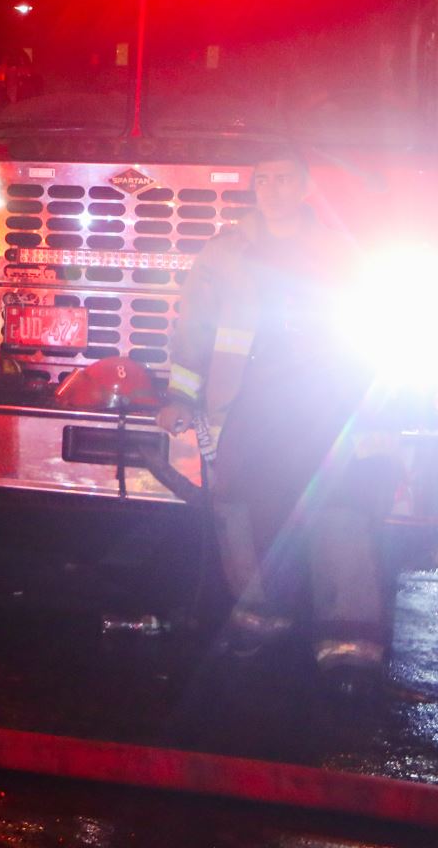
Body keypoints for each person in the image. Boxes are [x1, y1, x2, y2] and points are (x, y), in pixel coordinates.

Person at [153, 147, 385, 691]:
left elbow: (371, 331)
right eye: (263, 179)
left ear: (304, 185)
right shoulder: (225, 253)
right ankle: (259, 618)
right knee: (240, 505)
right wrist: (180, 395)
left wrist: (377, 404)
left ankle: (348, 639)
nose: (272, 189)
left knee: (340, 504)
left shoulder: (341, 252)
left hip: (322, 400)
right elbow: (195, 329)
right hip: (248, 402)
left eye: (283, 179)